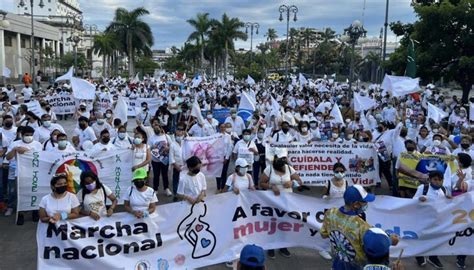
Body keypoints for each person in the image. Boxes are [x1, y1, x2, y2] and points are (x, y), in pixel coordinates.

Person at [321, 185, 397, 270]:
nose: (367, 204)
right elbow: (378, 246)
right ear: (356, 204)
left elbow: (324, 234)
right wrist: (391, 240)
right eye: (364, 202)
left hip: (337, 265)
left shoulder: (330, 213)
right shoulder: (363, 227)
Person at [259, 148, 303, 259]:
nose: (282, 163)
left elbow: (300, 182)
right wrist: (271, 186)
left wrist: (292, 183)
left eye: (284, 160)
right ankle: (271, 247)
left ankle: (283, 246)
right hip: (272, 202)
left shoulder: (289, 169)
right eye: (280, 159)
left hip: (287, 202)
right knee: (272, 224)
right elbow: (261, 183)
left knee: (284, 224)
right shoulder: (269, 169)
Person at [413, 171, 450, 269]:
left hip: (437, 220)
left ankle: (433, 257)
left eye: (440, 180)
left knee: (435, 239)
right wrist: (418, 199)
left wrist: (450, 200)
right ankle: (419, 256)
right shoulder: (423, 188)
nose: (438, 182)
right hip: (422, 219)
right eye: (435, 180)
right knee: (421, 238)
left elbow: (447, 204)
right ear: (430, 180)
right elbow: (412, 202)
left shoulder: (444, 190)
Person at [169, 124, 185, 200]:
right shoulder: (172, 144)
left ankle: (183, 195)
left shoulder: (186, 142)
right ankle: (175, 194)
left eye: (181, 130)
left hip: (185, 166)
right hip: (176, 166)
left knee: (184, 181)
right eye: (178, 130)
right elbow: (171, 157)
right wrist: (176, 166)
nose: (180, 132)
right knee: (176, 181)